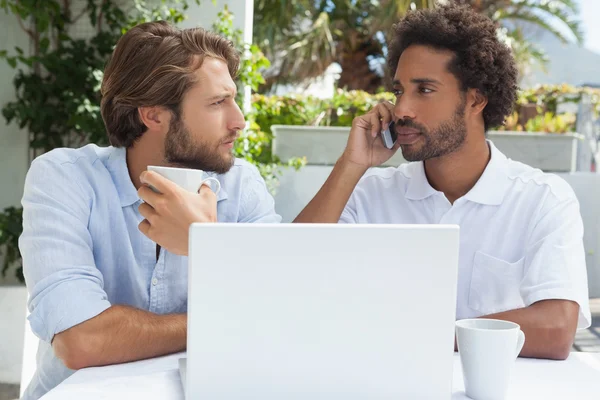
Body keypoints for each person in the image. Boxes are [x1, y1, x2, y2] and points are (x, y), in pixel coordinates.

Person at [295, 4, 591, 360]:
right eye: (399, 90)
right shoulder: (370, 194)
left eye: (424, 90)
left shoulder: (543, 200)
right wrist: (351, 164)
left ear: (475, 99)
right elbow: (292, 273)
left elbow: (557, 327)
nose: (402, 108)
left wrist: (417, 334)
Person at [18, 21, 280, 400]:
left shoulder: (242, 186)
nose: (239, 121)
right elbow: (82, 340)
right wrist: (224, 320)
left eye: (233, 99)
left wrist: (207, 244)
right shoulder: (65, 178)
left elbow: (283, 309)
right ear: (153, 116)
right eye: (217, 103)